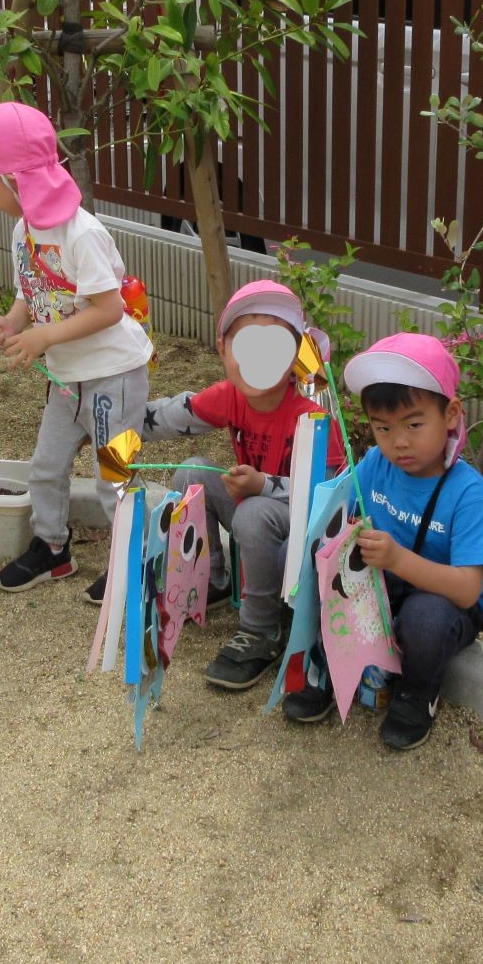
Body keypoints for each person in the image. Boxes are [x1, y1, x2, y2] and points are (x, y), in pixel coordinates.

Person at [0, 102, 154, 593]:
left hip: (114, 375)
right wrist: (12, 324)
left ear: (13, 180)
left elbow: (109, 309)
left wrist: (43, 337)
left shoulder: (82, 233)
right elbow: (29, 296)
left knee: (114, 475)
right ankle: (52, 548)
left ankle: (136, 560)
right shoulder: (23, 230)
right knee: (46, 467)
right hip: (66, 378)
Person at [124, 279, 346, 693]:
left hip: (298, 532)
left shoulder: (313, 417)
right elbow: (174, 415)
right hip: (253, 505)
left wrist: (263, 485)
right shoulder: (231, 396)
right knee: (191, 473)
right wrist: (117, 422)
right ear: (223, 349)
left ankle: (262, 629)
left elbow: (329, 496)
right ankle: (212, 578)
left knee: (254, 513)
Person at [285, 332, 483, 751]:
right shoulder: (375, 464)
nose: (398, 442)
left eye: (414, 425)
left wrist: (397, 559)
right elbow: (340, 516)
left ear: (451, 414)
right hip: (381, 588)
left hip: (442, 604)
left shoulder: (467, 492)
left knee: (425, 619)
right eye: (382, 428)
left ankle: (417, 693)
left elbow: (468, 590)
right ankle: (327, 665)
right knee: (301, 558)